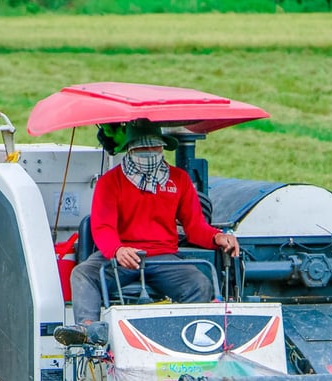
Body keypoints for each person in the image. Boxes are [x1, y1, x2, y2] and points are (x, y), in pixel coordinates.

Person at [60, 121, 239, 344]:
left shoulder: (179, 180)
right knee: (83, 273)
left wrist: (216, 237)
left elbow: (195, 227)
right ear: (130, 150)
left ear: (163, 148)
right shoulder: (110, 182)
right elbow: (102, 227)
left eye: (155, 148)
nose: (150, 153)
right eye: (142, 149)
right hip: (121, 256)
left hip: (164, 257)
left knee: (199, 284)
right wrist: (117, 250)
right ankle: (88, 330)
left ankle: (189, 338)